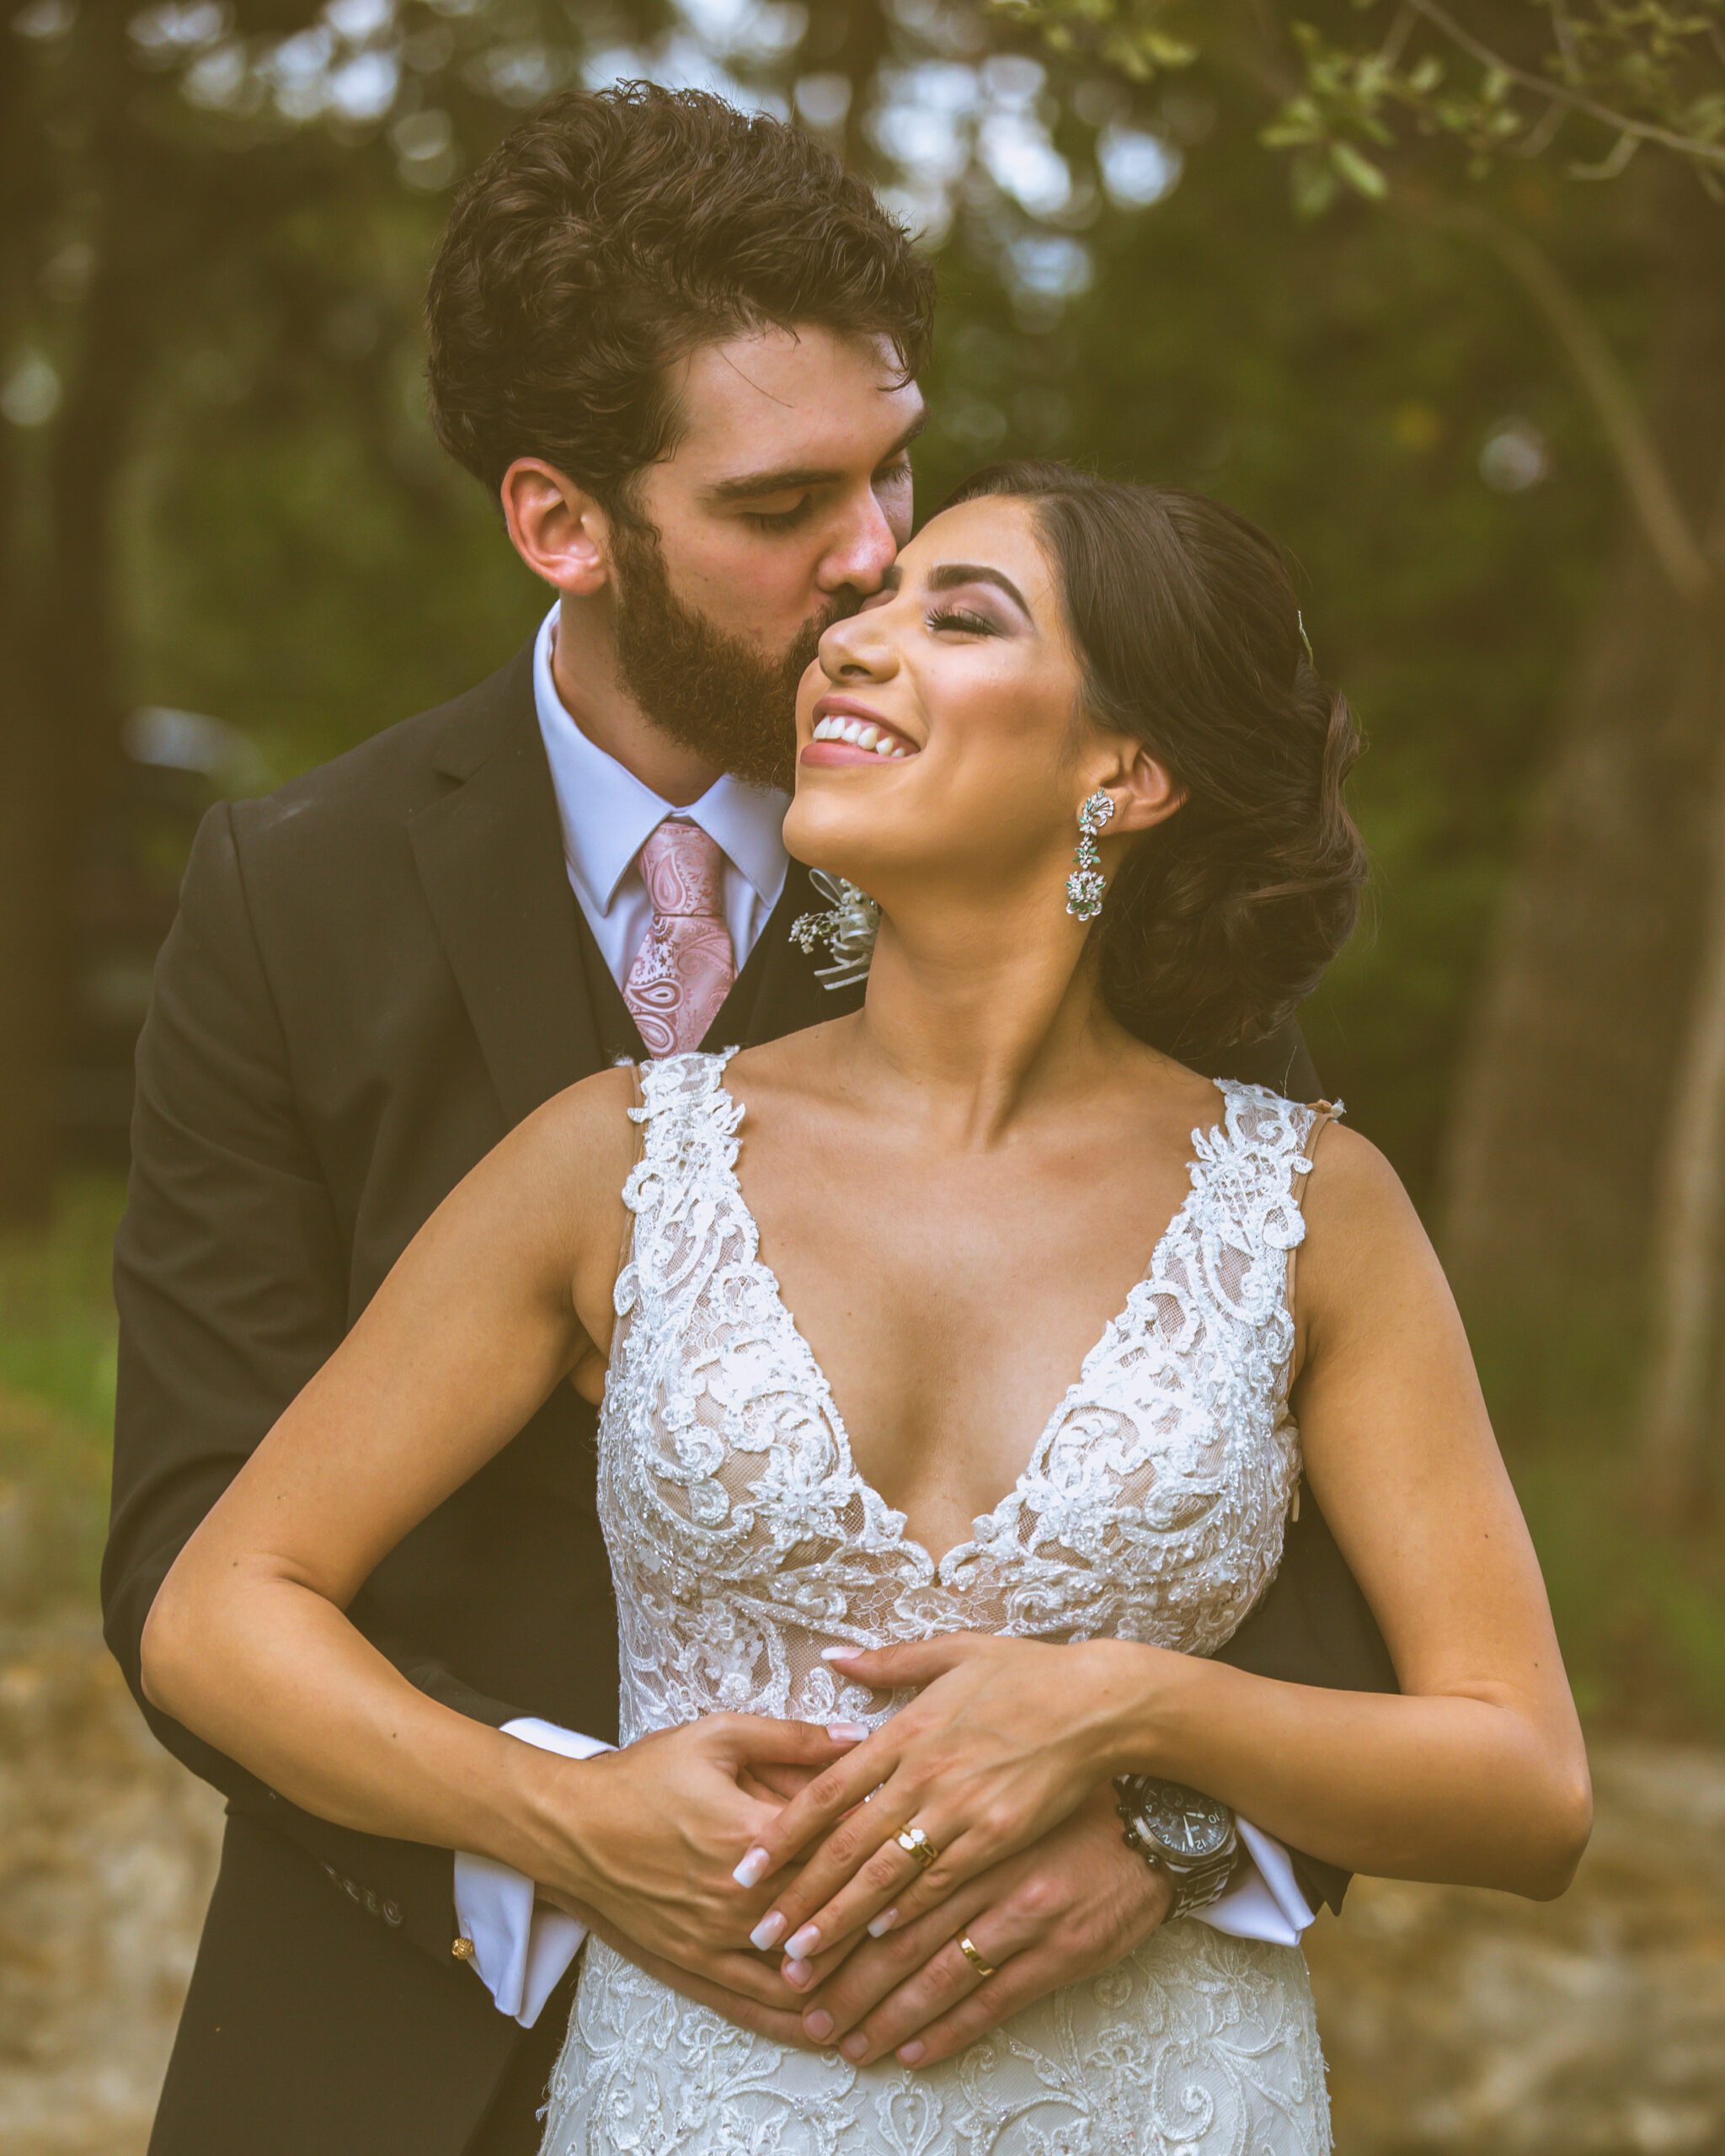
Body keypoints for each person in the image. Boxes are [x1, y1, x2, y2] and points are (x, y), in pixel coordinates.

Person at [104, 84, 1392, 2156]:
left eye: (896, 467)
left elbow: (1310, 1445)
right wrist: (558, 1827)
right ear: (564, 520)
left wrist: (1164, 1820)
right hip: (400, 2018)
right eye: (789, 501)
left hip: (1022, 2025)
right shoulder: (296, 890)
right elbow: (193, 1539)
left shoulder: (1062, 862)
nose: (876, 553)